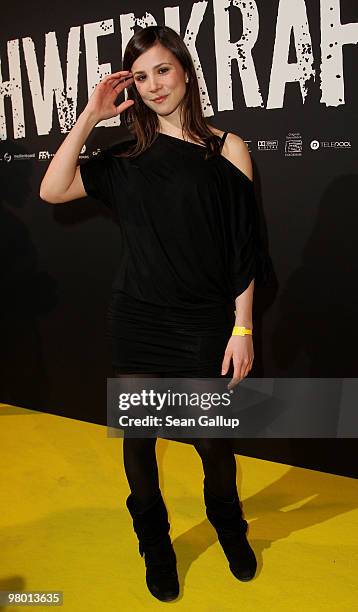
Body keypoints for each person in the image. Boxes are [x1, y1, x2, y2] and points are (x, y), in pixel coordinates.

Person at [40, 25, 272, 603]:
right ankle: (155, 544)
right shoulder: (125, 160)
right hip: (139, 321)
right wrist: (90, 116)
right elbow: (52, 189)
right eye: (140, 77)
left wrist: (242, 327)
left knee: (215, 445)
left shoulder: (227, 149)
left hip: (203, 324)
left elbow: (244, 247)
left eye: (162, 70)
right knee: (138, 445)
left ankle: (228, 524)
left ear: (186, 72)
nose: (153, 85)